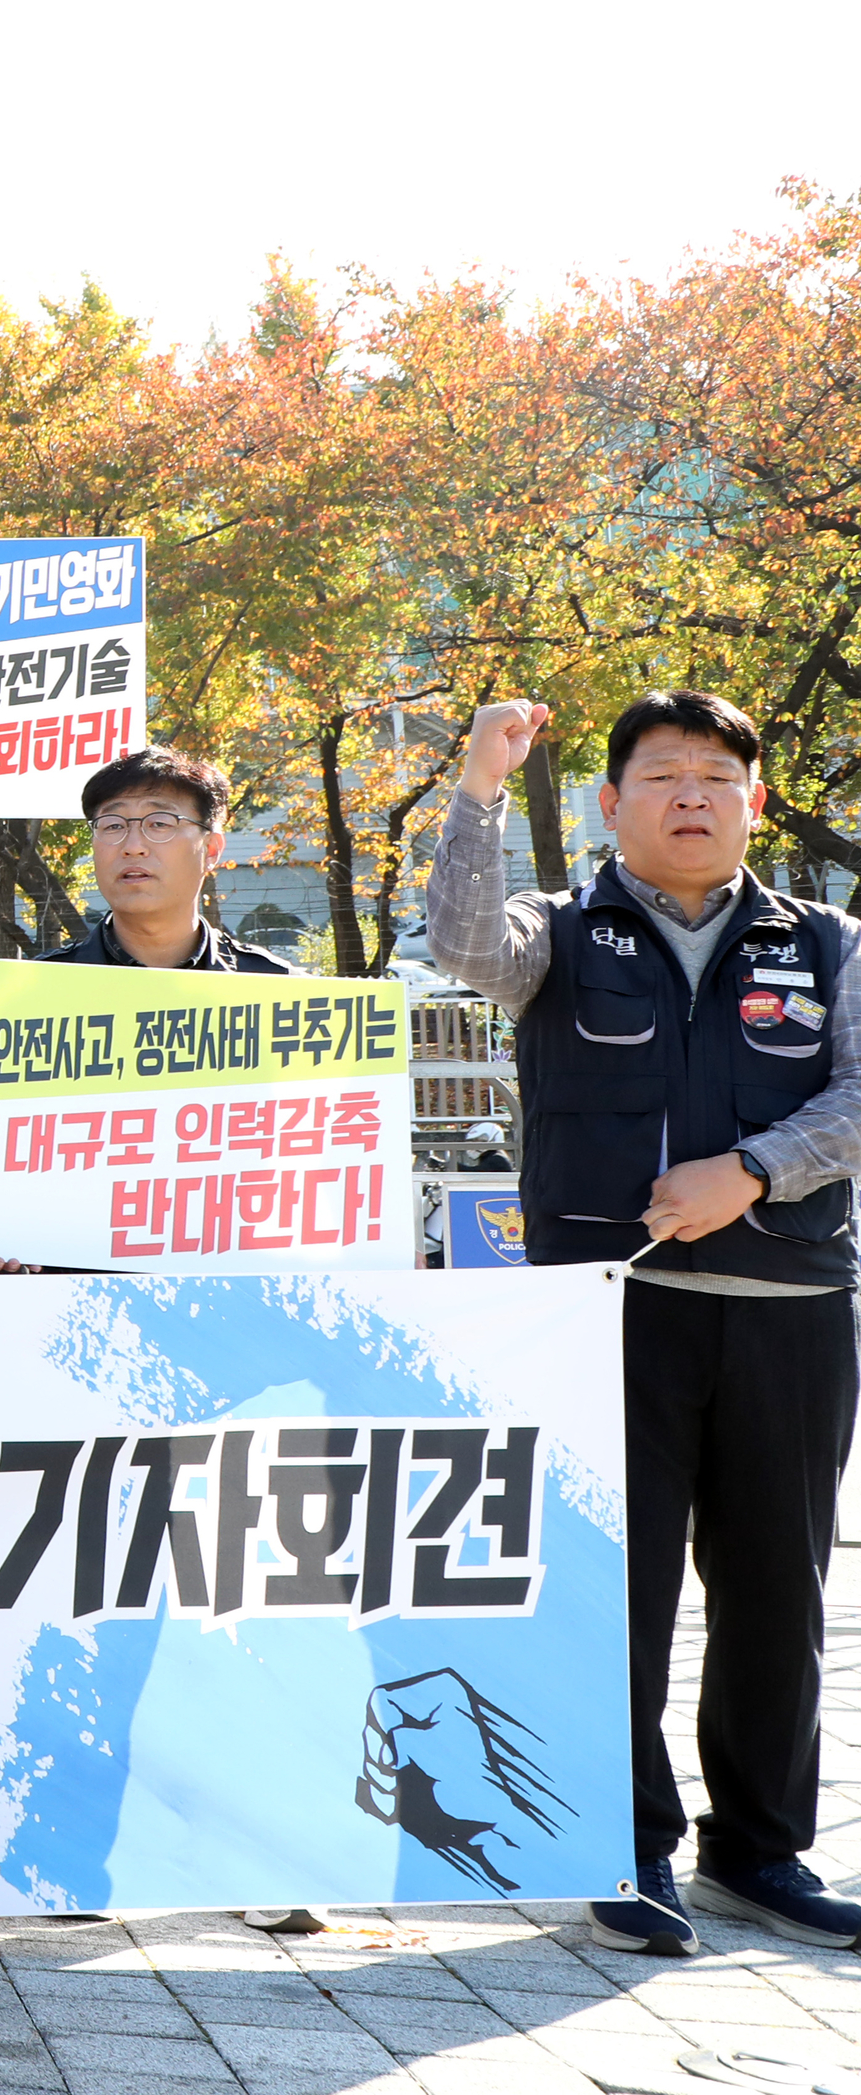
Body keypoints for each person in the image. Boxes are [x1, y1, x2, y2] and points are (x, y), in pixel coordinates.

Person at [429, 689, 861, 1958]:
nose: (690, 795)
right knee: (616, 1593)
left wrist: (756, 1170)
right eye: (661, 774)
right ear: (607, 803)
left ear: (753, 804)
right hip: (602, 1310)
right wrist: (474, 788)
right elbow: (458, 943)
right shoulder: (557, 932)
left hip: (787, 1307)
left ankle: (760, 1845)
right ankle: (623, 1843)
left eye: (716, 777)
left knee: (779, 1588)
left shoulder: (829, 940)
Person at [43, 746, 293, 974]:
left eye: (159, 823)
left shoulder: (275, 989)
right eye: (113, 825)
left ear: (212, 850)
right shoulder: (39, 988)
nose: (132, 847)